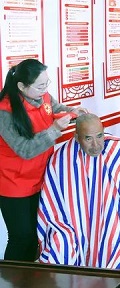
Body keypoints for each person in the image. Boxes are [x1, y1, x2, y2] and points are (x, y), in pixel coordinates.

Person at [37, 114, 120, 274]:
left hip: (113, 217)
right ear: (77, 138)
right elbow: (53, 205)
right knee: (60, 245)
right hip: (73, 225)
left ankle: (116, 282)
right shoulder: (61, 159)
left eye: (99, 136)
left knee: (114, 235)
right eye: (88, 139)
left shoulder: (119, 151)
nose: (96, 145)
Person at [0, 59, 87, 261]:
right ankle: (9, 278)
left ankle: (28, 277)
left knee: (35, 236)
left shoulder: (42, 96)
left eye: (46, 83)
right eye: (40, 86)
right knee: (21, 237)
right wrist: (55, 130)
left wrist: (73, 112)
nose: (45, 89)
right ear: (21, 86)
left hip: (40, 178)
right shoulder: (5, 112)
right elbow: (25, 149)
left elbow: (55, 108)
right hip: (13, 183)